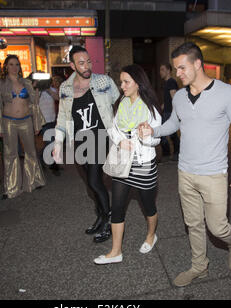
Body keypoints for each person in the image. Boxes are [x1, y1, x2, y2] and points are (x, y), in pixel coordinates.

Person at [139, 42, 231, 286]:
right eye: (175, 69)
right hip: (186, 172)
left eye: (181, 68)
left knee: (218, 227)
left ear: (197, 63)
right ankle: (199, 266)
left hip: (214, 174)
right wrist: (153, 130)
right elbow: (173, 125)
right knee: (193, 224)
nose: (177, 74)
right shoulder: (180, 96)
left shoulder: (226, 93)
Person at [94, 64, 162, 265]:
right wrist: (120, 140)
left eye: (126, 82)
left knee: (148, 206)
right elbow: (113, 128)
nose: (121, 85)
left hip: (143, 164)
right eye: (121, 81)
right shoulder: (121, 103)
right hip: (123, 163)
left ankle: (151, 235)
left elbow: (157, 139)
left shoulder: (150, 108)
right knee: (117, 207)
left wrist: (146, 136)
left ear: (138, 84)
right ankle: (116, 251)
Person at [52, 46, 120, 243]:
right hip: (79, 141)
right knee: (92, 184)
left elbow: (120, 103)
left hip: (101, 137)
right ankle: (100, 216)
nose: (87, 66)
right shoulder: (65, 87)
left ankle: (108, 222)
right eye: (81, 63)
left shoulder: (104, 81)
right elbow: (63, 118)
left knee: (94, 181)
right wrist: (58, 143)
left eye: (89, 61)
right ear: (72, 65)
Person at [0, 55, 46, 199]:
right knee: (10, 154)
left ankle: (34, 181)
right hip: (8, 122)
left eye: (17, 64)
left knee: (31, 151)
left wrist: (36, 123)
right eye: (11, 64)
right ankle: (11, 188)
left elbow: (34, 103)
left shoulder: (26, 82)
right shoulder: (1, 84)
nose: (15, 67)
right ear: (6, 67)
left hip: (26, 121)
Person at [35, 77, 60, 175]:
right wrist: (38, 89)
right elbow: (35, 102)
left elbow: (58, 98)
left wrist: (48, 89)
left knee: (51, 144)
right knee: (50, 143)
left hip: (53, 121)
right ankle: (53, 165)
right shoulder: (36, 91)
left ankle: (41, 159)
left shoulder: (52, 90)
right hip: (43, 122)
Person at [159, 63, 180, 161]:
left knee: (165, 134)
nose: (160, 72)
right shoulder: (167, 83)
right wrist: (160, 108)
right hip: (166, 112)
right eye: (160, 70)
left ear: (168, 71)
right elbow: (167, 100)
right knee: (171, 134)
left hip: (170, 113)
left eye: (162, 70)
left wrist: (174, 114)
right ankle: (174, 154)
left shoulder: (171, 82)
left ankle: (168, 155)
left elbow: (174, 98)